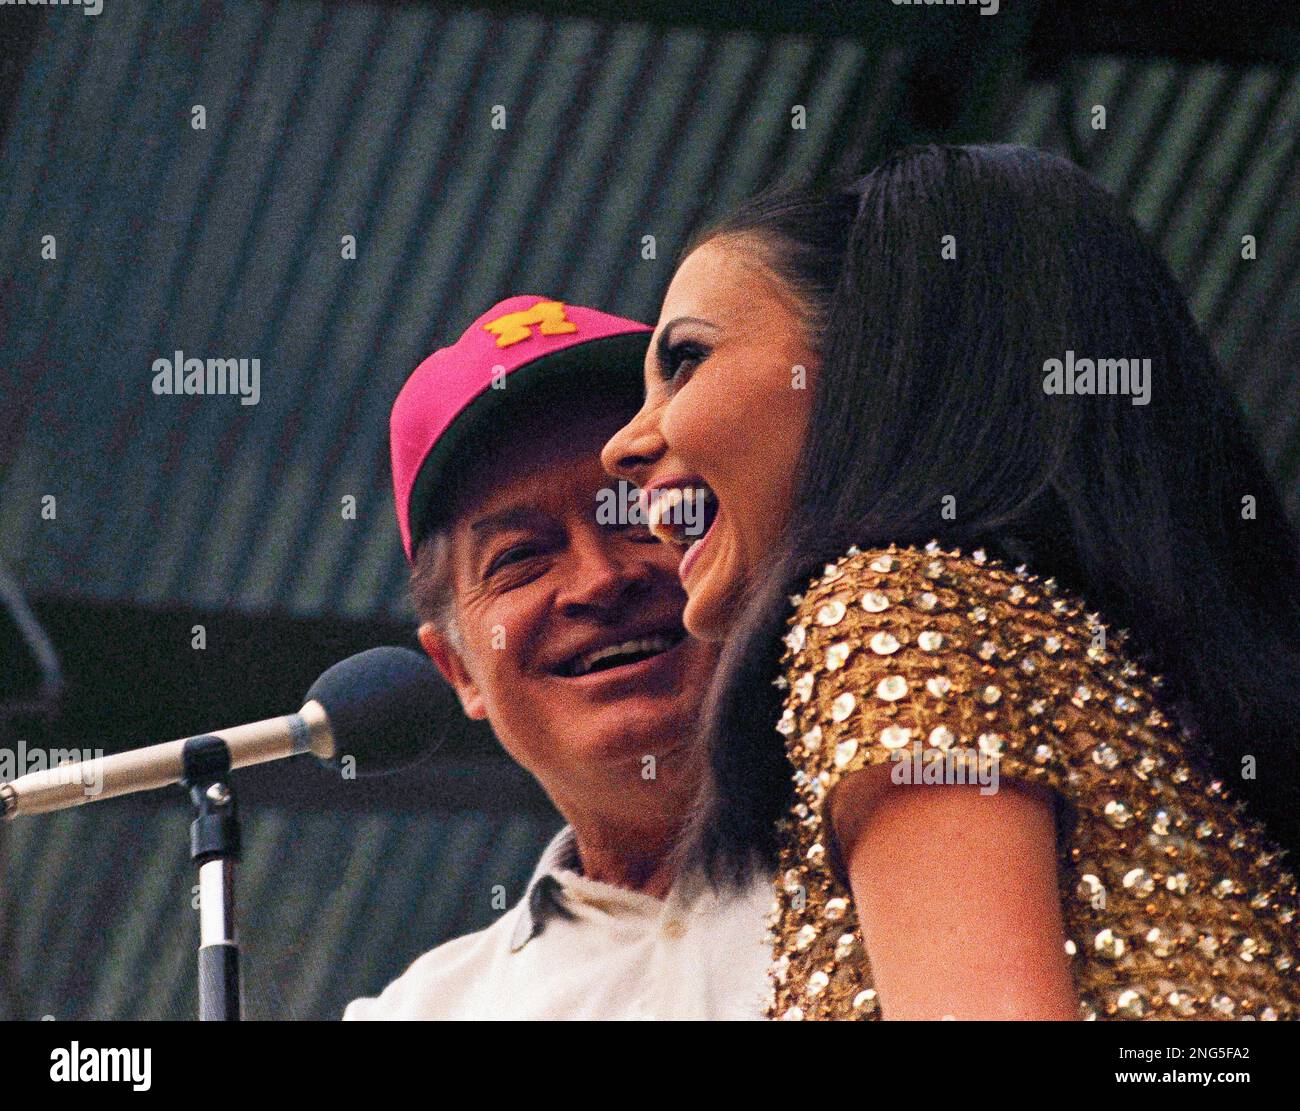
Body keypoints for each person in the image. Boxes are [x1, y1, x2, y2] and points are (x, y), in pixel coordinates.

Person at [602, 144, 1300, 1021]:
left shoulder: (890, 607)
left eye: (685, 360)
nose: (623, 445)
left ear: (869, 366)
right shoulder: (1135, 680)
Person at [342, 296, 774, 1020]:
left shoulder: (933, 855)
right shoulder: (421, 1012)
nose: (600, 579)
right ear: (457, 669)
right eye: (520, 557)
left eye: (638, 514)